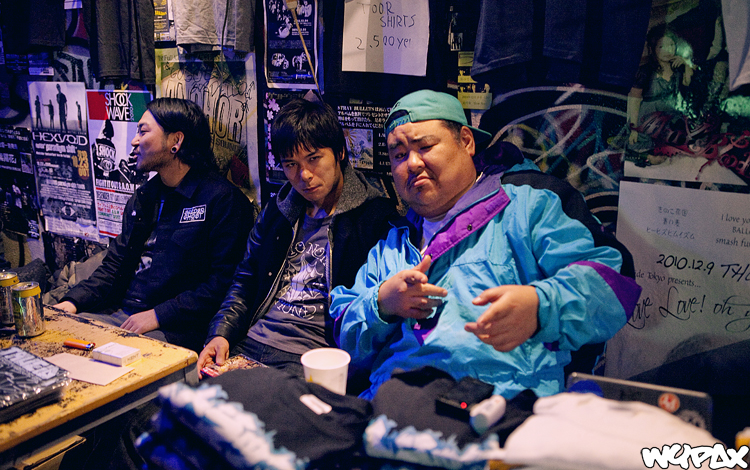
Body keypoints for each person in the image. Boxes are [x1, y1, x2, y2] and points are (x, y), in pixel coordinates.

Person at [331, 90, 642, 400]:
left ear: (466, 141)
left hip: (501, 406)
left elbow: (613, 286)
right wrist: (382, 303)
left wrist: (541, 306)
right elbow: (343, 333)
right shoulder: (394, 243)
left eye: (425, 147)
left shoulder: (529, 204)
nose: (412, 163)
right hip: (391, 405)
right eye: (399, 155)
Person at [197, 98, 398, 379]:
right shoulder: (279, 211)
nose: (304, 175)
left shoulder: (373, 218)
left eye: (314, 158)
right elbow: (245, 279)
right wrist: (220, 333)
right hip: (251, 343)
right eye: (291, 164)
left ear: (340, 152)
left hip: (314, 356)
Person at [52, 98, 254, 352]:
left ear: (176, 141)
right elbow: (114, 265)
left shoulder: (222, 200)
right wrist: (72, 302)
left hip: (175, 327)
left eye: (143, 131)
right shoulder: (145, 196)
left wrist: (158, 315)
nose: (134, 141)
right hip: (121, 313)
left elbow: (224, 283)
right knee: (54, 338)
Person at [627, 25, 694, 166]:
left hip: (671, 116)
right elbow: (634, 100)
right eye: (661, 46)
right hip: (649, 118)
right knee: (645, 152)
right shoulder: (645, 71)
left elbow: (688, 83)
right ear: (652, 49)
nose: (667, 50)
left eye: (671, 45)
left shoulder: (678, 68)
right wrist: (634, 129)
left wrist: (687, 64)